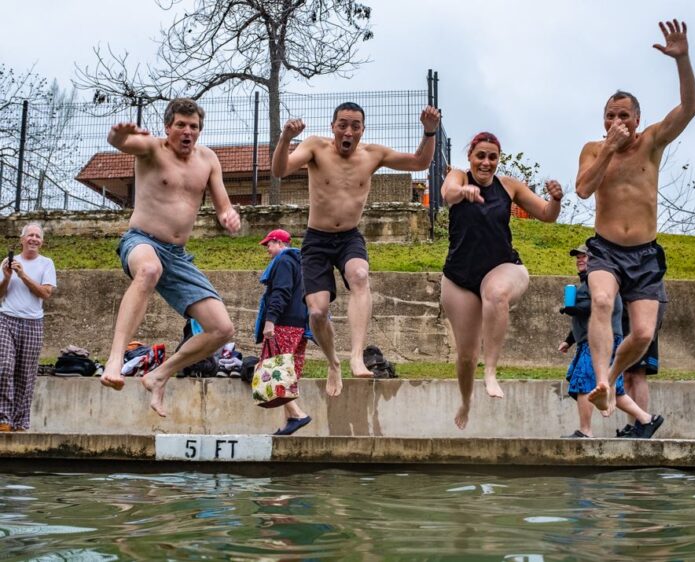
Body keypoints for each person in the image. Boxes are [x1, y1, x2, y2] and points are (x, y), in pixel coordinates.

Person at [271, 101, 440, 397]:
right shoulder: (315, 148)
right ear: (333, 126)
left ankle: (357, 354)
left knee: (360, 275)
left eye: (355, 126)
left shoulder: (373, 155)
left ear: (362, 130)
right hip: (317, 239)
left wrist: (429, 132)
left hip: (349, 236)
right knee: (317, 312)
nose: (348, 131)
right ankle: (333, 362)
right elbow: (279, 169)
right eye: (343, 125)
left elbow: (419, 163)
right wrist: (285, 138)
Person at [575, 20, 695, 415]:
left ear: (637, 119)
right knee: (600, 298)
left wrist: (682, 60)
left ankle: (609, 381)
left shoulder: (652, 142)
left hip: (645, 255)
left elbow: (690, 108)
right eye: (610, 115)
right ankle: (599, 381)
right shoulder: (595, 149)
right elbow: (582, 189)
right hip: (606, 250)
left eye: (624, 115)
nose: (617, 122)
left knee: (643, 334)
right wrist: (609, 150)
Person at [99, 98, 241, 417]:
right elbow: (121, 142)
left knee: (222, 329)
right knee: (149, 270)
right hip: (141, 241)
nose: (188, 132)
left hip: (177, 256)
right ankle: (115, 359)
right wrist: (117, 134)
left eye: (194, 127)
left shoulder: (208, 161)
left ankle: (160, 374)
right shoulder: (152, 148)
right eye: (181, 125)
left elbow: (223, 206)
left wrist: (229, 216)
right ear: (168, 127)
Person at [440, 131, 563, 430]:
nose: (486, 162)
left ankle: (492, 370)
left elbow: (547, 215)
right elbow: (447, 194)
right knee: (466, 357)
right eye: (480, 156)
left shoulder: (508, 186)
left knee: (495, 294)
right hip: (459, 277)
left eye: (492, 157)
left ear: (498, 160)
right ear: (470, 157)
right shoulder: (458, 176)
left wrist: (555, 199)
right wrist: (464, 193)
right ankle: (466, 402)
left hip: (504, 266)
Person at [558, 244, 663, 438]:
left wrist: (574, 309)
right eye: (578, 257)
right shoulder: (587, 283)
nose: (580, 259)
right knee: (612, 389)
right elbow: (588, 317)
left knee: (584, 383)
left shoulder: (603, 280)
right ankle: (647, 419)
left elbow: (604, 306)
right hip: (589, 341)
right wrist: (569, 340)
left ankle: (585, 431)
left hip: (599, 343)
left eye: (585, 256)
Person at [254, 229, 312, 435]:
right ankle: (289, 422)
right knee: (289, 372)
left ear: (279, 243)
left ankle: (297, 415)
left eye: (269, 245)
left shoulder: (284, 262)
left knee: (275, 369)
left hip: (284, 324)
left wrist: (270, 322)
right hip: (300, 325)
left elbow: (280, 292)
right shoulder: (302, 263)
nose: (267, 250)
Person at [0, 222, 57, 432]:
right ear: (22, 239)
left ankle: (20, 422)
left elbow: (46, 293)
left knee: (26, 373)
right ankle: (3, 418)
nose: (34, 239)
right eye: (30, 235)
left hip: (33, 322)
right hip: (6, 318)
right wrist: (7, 277)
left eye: (38, 236)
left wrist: (22, 275)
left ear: (41, 242)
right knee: (4, 366)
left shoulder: (46, 264)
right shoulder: (7, 262)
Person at [617, 298, 666, 436]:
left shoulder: (648, 278)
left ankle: (644, 423)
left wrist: (650, 331)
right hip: (626, 326)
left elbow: (660, 300)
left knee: (638, 374)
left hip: (643, 326)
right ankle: (632, 424)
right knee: (626, 375)